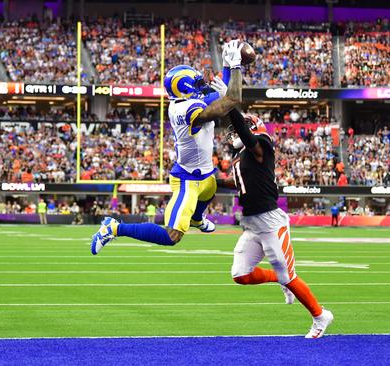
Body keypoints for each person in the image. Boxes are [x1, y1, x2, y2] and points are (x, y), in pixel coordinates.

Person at [91, 40, 245, 254]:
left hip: (204, 172)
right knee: (171, 236)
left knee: (210, 188)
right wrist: (234, 67)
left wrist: (227, 66)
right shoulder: (186, 109)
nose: (202, 85)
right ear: (186, 89)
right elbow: (229, 101)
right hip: (187, 179)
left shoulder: (187, 100)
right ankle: (114, 228)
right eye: (197, 83)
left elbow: (221, 95)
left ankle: (197, 218)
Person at [219, 111, 333, 338]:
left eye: (238, 128)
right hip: (252, 223)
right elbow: (240, 182)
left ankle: (321, 316)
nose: (233, 133)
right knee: (240, 274)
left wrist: (232, 108)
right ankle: (276, 278)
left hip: (270, 221)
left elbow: (248, 137)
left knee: (289, 276)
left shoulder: (261, 143)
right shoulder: (241, 155)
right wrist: (210, 181)